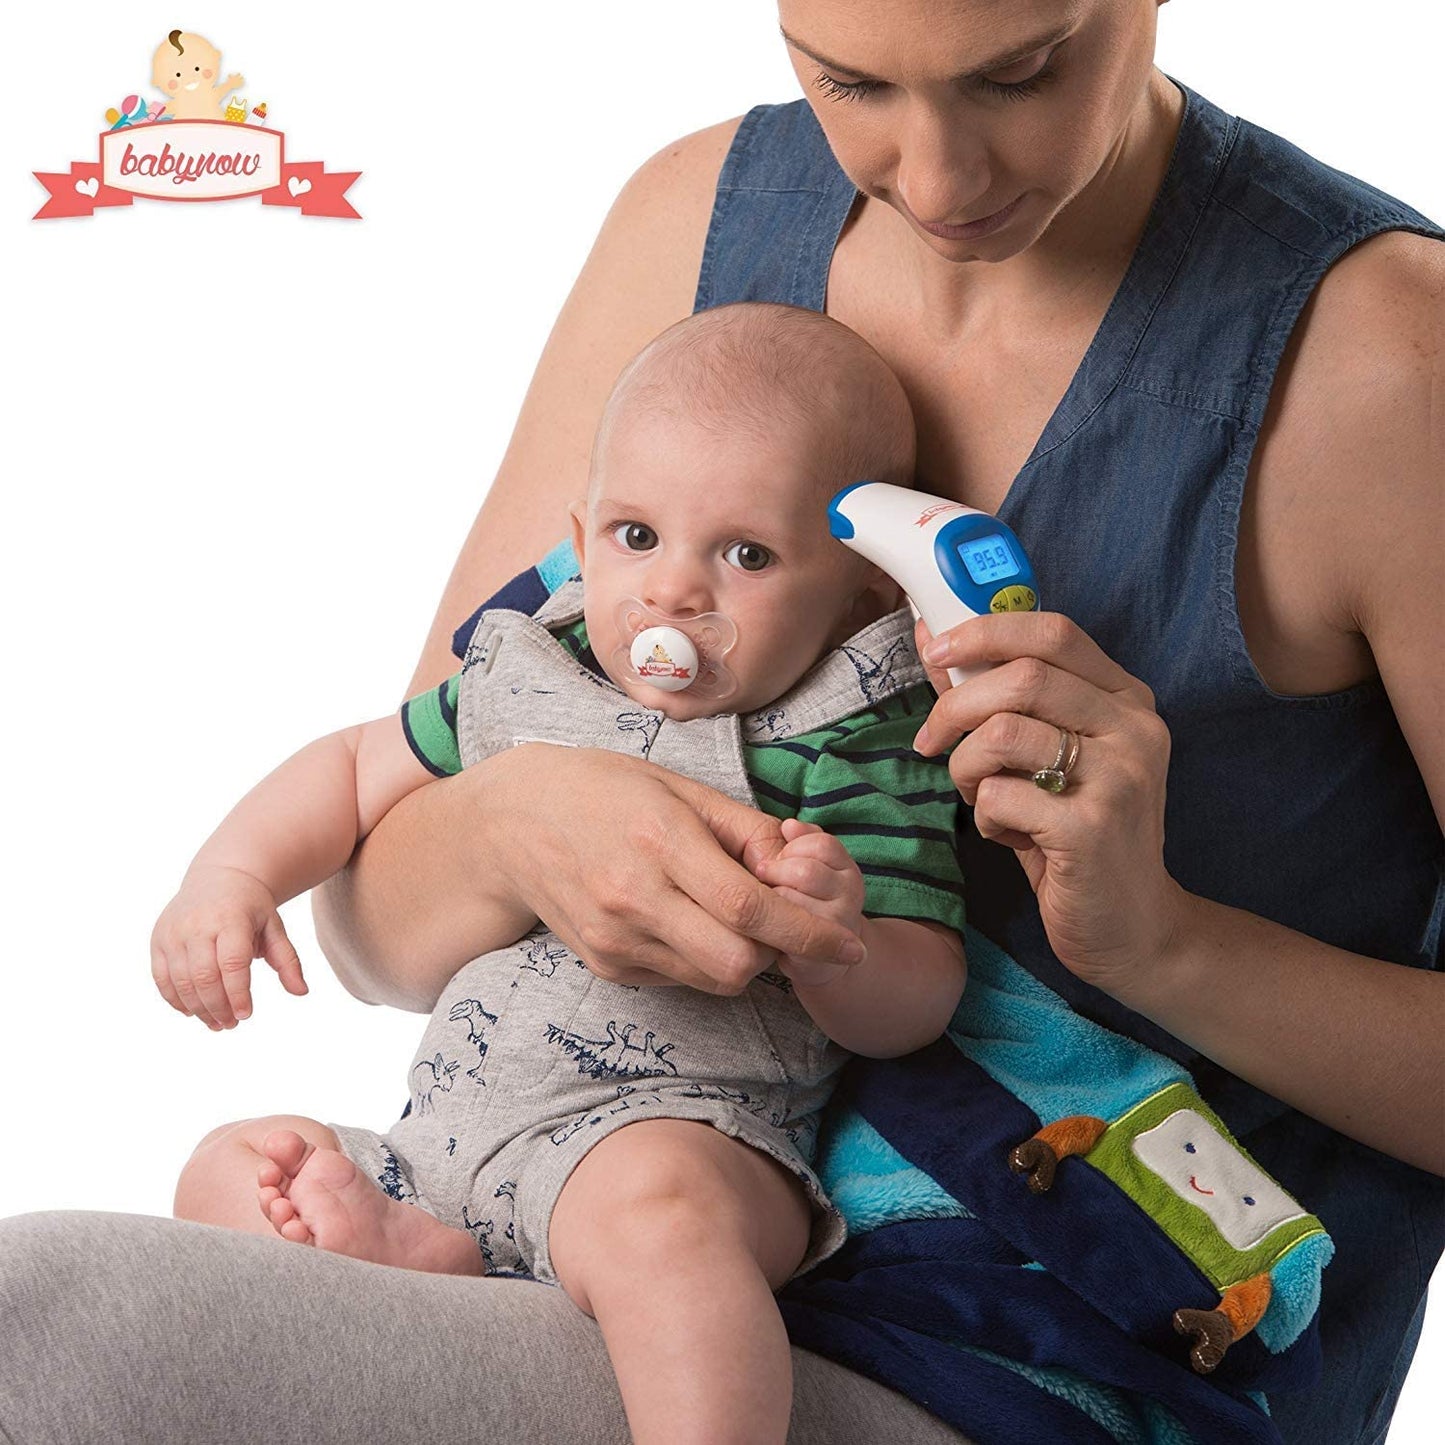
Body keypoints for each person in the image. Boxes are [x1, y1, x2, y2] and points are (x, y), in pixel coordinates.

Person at [1, 2, 1438, 1442]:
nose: (934, 178)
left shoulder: (1387, 366)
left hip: (1033, 1344)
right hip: (536, 1204)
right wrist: (513, 826)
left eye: (1021, 70)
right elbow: (376, 936)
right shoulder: (685, 226)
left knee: (55, 1327)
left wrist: (1158, 940)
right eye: (849, 78)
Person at [154, 302, 970, 1445]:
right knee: (236, 1160)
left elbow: (920, 997)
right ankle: (416, 1246)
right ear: (581, 541)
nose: (674, 591)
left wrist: (839, 940)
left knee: (662, 1231)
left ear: (856, 598)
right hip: (445, 1133)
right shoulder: (530, 676)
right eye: (637, 537)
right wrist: (230, 874)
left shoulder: (844, 749)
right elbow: (350, 768)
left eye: (745, 554)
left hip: (673, 1128)